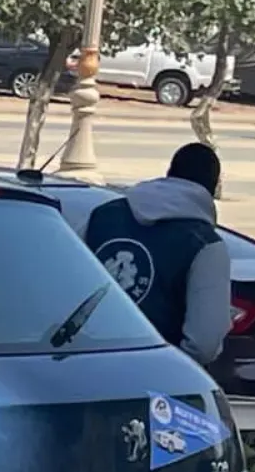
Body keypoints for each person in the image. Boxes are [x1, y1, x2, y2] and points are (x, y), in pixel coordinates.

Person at [74, 142, 231, 366]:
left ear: (169, 173)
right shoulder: (206, 246)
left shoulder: (100, 217)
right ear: (213, 189)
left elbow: (65, 284)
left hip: (85, 362)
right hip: (152, 376)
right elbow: (205, 343)